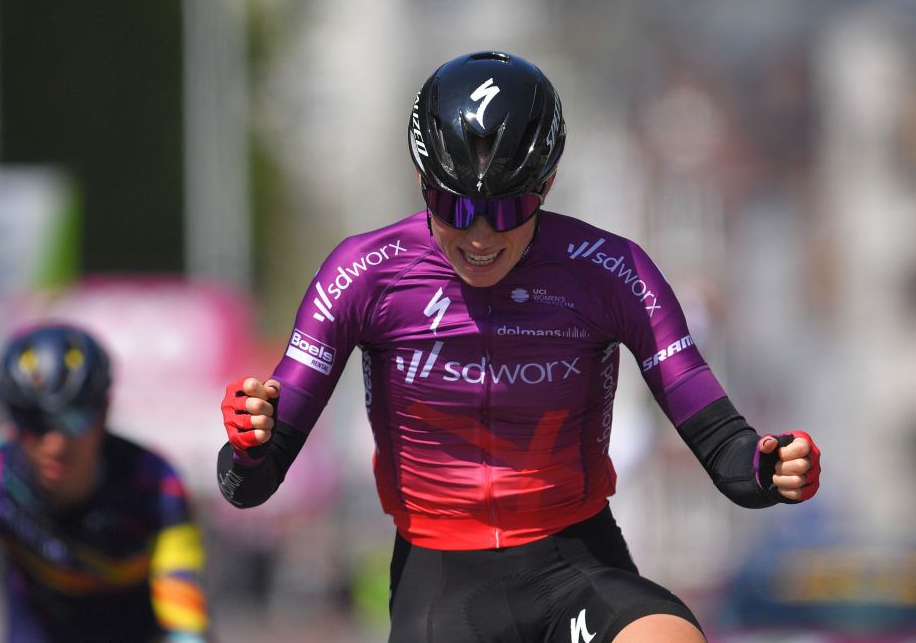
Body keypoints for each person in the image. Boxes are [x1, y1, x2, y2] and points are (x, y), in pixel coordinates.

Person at [216, 51, 822, 642]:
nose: (480, 236)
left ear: (547, 184)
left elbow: (723, 446)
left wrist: (768, 466)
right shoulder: (364, 273)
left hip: (575, 565)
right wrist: (251, 445)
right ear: (422, 183)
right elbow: (250, 485)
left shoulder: (610, 270)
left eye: (508, 209)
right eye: (453, 205)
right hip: (443, 588)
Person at [0, 323, 210, 643]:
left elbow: (186, 623)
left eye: (73, 419)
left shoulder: (156, 484)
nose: (55, 444)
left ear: (103, 413)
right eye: (32, 420)